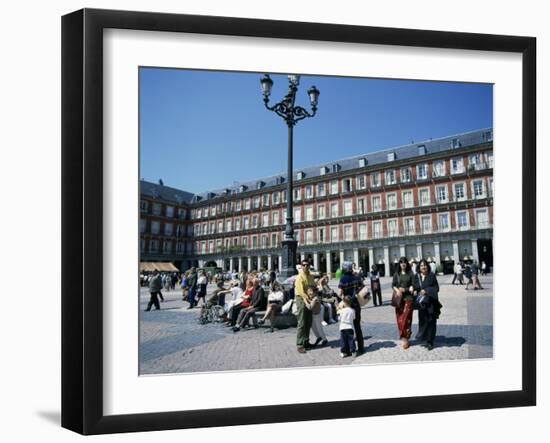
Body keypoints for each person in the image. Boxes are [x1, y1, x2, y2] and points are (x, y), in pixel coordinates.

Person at [413, 259, 442, 350]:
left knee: (431, 321)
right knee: (422, 321)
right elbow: (415, 287)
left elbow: (436, 288)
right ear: (419, 267)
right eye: (421, 265)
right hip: (421, 304)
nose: (423, 267)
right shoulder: (416, 276)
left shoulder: (432, 276)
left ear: (428, 266)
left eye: (425, 265)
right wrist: (413, 290)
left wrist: (426, 291)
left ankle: (430, 341)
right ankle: (424, 337)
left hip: (431, 303)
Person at [338, 261, 365, 356]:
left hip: (347, 306)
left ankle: (347, 349)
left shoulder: (343, 279)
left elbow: (340, 293)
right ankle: (360, 348)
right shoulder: (356, 277)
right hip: (356, 305)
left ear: (344, 269)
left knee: (346, 327)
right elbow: (362, 288)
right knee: (357, 326)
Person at [392, 257, 415, 349]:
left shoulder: (411, 274)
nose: (403, 264)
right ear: (399, 264)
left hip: (408, 298)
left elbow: (413, 285)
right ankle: (404, 337)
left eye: (404, 262)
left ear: (407, 264)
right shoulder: (396, 274)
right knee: (399, 319)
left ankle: (406, 336)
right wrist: (397, 290)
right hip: (399, 299)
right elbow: (393, 285)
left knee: (406, 318)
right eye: (401, 262)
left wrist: (408, 288)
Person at [294, 260, 316, 353]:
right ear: (301, 266)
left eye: (307, 265)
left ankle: (306, 341)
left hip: (309, 299)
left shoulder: (311, 276)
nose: (306, 266)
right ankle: (300, 344)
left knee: (308, 322)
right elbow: (301, 292)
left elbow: (314, 287)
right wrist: (308, 301)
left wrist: (315, 295)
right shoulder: (299, 277)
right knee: (302, 322)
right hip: (301, 299)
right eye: (304, 265)